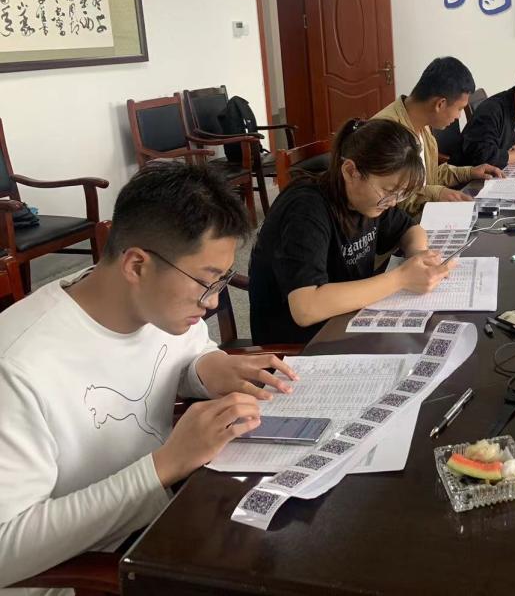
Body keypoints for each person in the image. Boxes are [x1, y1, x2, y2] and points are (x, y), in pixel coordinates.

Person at [0, 163, 296, 587]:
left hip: (164, 519)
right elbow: (5, 549)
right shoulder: (16, 367)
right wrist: (165, 465)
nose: (212, 303)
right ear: (137, 265)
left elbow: (182, 355)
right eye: (206, 282)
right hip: (89, 575)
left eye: (221, 282)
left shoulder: (157, 306)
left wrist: (207, 367)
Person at [248, 119, 454, 346]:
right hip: (299, 344)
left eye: (401, 194)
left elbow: (410, 229)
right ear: (350, 171)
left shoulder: (368, 200)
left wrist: (418, 255)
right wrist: (401, 278)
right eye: (388, 190)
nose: (393, 202)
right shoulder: (306, 209)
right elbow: (305, 308)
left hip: (346, 320)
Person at [373, 56, 504, 215]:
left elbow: (429, 176)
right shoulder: (386, 132)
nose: (458, 116)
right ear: (440, 104)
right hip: (405, 224)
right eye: (459, 109)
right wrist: (437, 193)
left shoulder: (421, 124)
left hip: (425, 215)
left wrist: (470, 172)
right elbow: (388, 199)